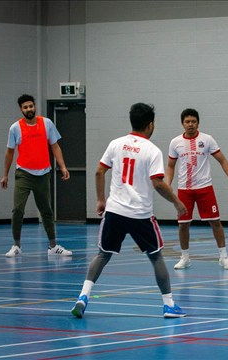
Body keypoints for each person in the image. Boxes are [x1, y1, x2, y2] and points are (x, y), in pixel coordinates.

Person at [71, 103, 188, 319]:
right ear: (150, 124)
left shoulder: (116, 144)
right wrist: (177, 202)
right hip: (140, 215)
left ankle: (83, 296)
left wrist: (99, 200)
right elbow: (159, 184)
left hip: (114, 211)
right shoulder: (152, 150)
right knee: (156, 257)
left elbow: (99, 171)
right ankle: (169, 305)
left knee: (103, 255)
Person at [165, 108, 228, 270]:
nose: (190, 124)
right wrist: (167, 184)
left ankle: (223, 257)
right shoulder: (175, 143)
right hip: (184, 191)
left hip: (204, 189)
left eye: (193, 121)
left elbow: (223, 160)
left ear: (198, 123)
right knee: (183, 225)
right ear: (182, 123)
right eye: (187, 122)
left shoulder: (207, 140)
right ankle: (185, 257)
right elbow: (171, 166)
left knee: (215, 222)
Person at [0, 94, 72, 257]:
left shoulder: (47, 123)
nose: (29, 109)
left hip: (43, 174)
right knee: (18, 210)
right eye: (25, 107)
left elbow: (55, 146)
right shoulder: (15, 128)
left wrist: (63, 166)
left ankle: (53, 247)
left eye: (31, 106)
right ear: (21, 109)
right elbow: (9, 153)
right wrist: (5, 174)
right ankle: (16, 245)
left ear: (34, 107)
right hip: (23, 174)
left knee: (46, 210)